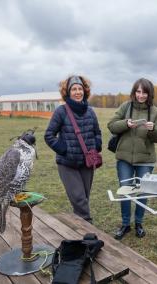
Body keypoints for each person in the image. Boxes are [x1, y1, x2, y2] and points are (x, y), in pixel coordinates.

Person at [108, 78, 157, 240]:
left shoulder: (155, 112)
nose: (141, 95)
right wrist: (126, 124)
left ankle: (139, 223)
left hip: (145, 160)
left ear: (149, 94)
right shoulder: (125, 107)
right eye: (138, 92)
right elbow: (111, 125)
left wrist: (153, 129)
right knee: (125, 190)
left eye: (144, 92)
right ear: (134, 92)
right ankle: (125, 224)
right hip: (124, 159)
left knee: (143, 191)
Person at [45, 75, 102, 223]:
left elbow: (97, 132)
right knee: (79, 199)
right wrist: (64, 150)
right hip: (67, 164)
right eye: (74, 89)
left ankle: (78, 234)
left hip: (87, 163)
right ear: (68, 92)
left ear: (85, 91)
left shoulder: (90, 111)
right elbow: (49, 135)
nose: (77, 92)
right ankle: (89, 232)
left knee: (83, 199)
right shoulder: (61, 111)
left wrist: (96, 145)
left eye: (80, 89)